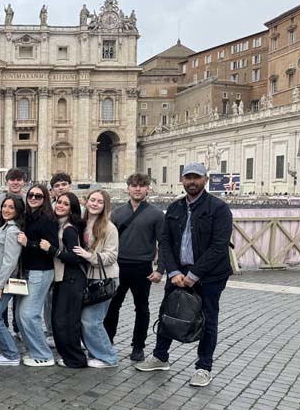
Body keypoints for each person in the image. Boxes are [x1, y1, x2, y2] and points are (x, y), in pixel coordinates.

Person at [136, 163, 233, 387]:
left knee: (208, 319)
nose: (192, 182)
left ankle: (203, 368)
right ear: (182, 180)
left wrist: (194, 274)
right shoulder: (175, 208)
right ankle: (160, 357)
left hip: (209, 276)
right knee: (167, 313)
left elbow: (219, 247)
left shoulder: (219, 209)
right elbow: (166, 242)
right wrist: (174, 271)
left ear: (205, 180)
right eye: (188, 178)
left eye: (196, 178)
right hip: (179, 273)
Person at [103, 173, 164, 362]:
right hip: (118, 266)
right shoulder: (117, 213)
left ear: (148, 189)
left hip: (143, 267)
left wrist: (160, 269)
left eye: (142, 185)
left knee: (142, 308)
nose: (138, 189)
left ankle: (138, 346)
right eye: (134, 185)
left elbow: (164, 243)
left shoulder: (156, 214)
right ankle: (107, 342)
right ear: (127, 188)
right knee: (112, 306)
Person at [73, 190, 119, 368]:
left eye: (99, 202)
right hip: (89, 278)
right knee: (88, 320)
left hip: (104, 278)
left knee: (91, 321)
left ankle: (108, 358)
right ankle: (96, 354)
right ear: (86, 202)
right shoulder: (82, 223)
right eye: (92, 200)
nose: (94, 204)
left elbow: (111, 256)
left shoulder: (109, 227)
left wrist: (88, 255)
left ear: (105, 206)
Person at [41, 191, 88, 368]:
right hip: (64, 279)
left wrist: (51, 249)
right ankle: (70, 356)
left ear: (72, 208)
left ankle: (76, 359)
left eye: (65, 204)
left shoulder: (69, 229)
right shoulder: (59, 224)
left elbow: (76, 257)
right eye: (59, 202)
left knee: (66, 321)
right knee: (60, 320)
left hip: (72, 279)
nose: (60, 205)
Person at [16, 184, 57, 367]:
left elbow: (50, 247)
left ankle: (44, 355)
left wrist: (28, 243)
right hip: (27, 270)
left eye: (38, 196)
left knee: (29, 314)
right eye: (31, 195)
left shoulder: (48, 219)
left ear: (45, 199)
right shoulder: (27, 217)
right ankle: (34, 350)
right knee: (19, 314)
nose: (33, 198)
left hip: (40, 271)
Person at [0, 195, 25, 366]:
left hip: (2, 278)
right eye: (5, 206)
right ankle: (9, 351)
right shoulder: (3, 227)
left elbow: (10, 262)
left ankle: (11, 354)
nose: (6, 210)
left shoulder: (12, 231)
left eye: (11, 207)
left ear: (17, 211)